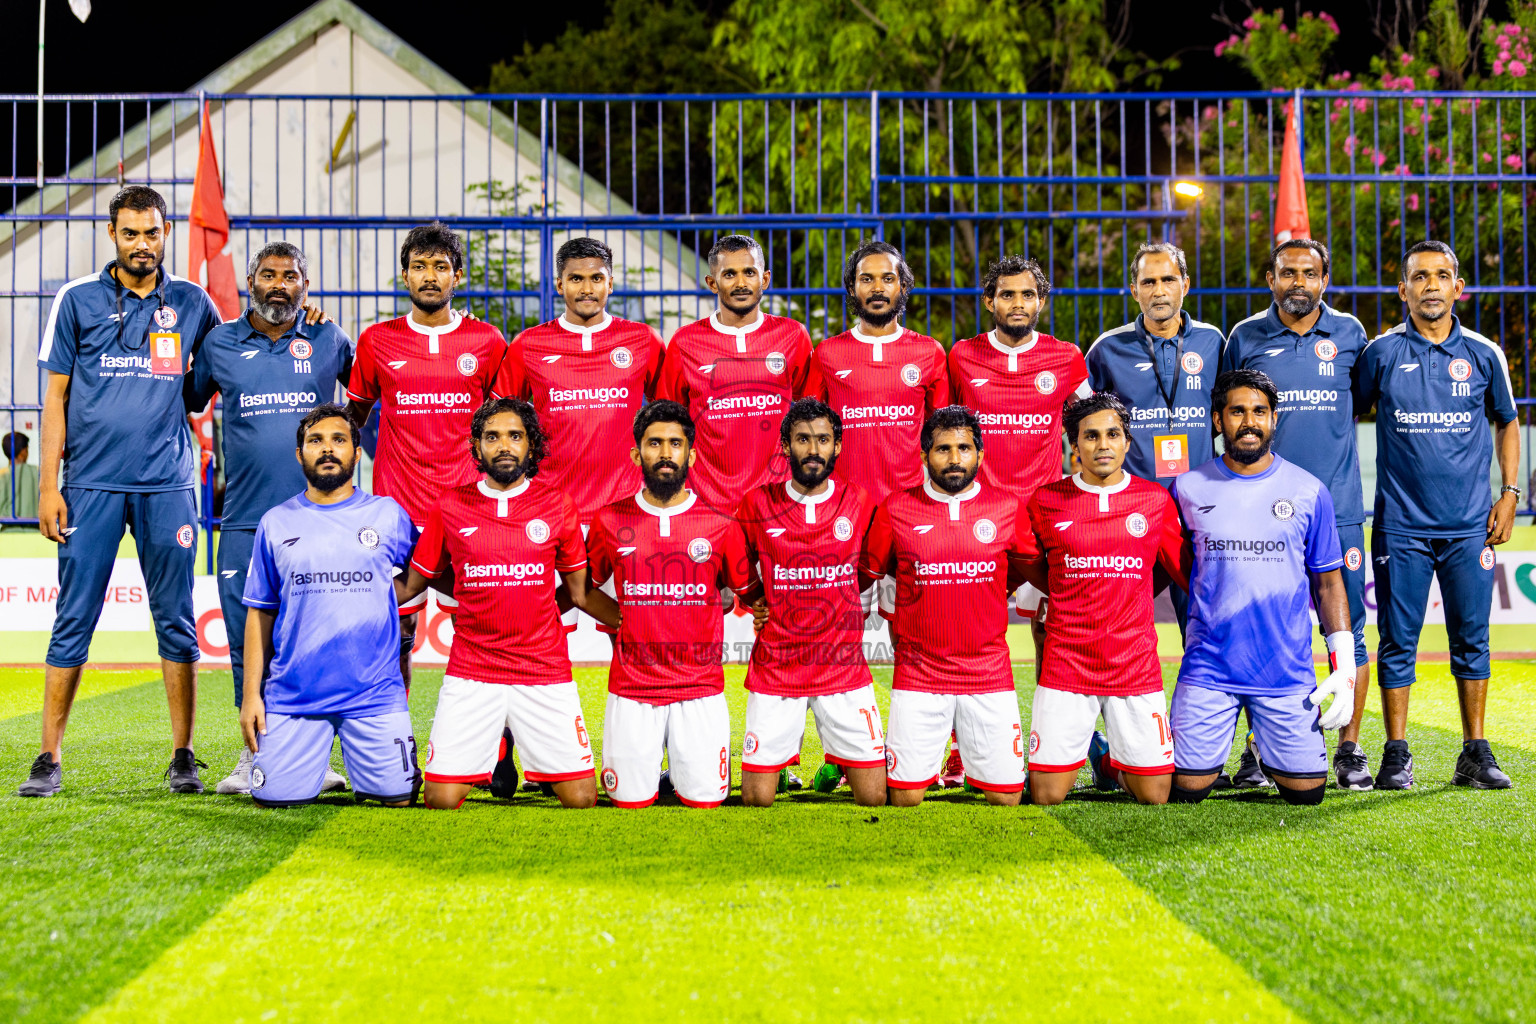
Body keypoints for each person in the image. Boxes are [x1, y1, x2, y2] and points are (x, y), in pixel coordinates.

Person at [19, 185, 224, 798]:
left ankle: (183, 754)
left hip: (166, 485)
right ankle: (48, 755)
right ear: (112, 233)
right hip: (89, 487)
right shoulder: (76, 300)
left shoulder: (193, 302)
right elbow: (52, 399)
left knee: (177, 619)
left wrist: (303, 319)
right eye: (131, 232)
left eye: (153, 233)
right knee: (72, 619)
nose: (142, 243)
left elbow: (221, 367)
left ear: (166, 234)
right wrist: (49, 486)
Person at [490, 235, 664, 792]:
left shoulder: (641, 343)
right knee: (530, 634)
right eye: (576, 279)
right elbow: (503, 424)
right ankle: (510, 756)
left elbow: (665, 421)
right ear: (559, 284)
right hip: (549, 516)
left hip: (624, 517)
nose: (586, 289)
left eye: (597, 278)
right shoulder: (528, 347)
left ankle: (644, 760)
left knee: (637, 634)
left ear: (610, 283)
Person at [184, 241, 355, 796]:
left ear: (305, 286)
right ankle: (252, 753)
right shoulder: (219, 343)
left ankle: (313, 755)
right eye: (268, 275)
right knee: (245, 644)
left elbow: (371, 397)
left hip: (321, 521)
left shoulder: (329, 338)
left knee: (314, 641)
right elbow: (184, 398)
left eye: (291, 276)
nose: (279, 285)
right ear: (250, 282)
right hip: (244, 524)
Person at [398, 398, 621, 810]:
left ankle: (512, 748)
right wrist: (349, 594)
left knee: (581, 799)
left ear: (531, 446)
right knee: (441, 799)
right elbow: (413, 584)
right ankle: (495, 749)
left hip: (543, 670)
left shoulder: (558, 504)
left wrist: (637, 621)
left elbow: (578, 593)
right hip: (472, 671)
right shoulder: (449, 506)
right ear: (476, 447)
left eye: (515, 436)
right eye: (492, 437)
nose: (504, 445)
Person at [1354, 240, 1519, 790]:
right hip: (1400, 525)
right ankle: (1396, 754)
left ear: (1457, 288)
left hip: (1471, 526)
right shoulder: (1379, 355)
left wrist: (1510, 492)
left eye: (1441, 275)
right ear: (1403, 290)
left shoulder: (1483, 354)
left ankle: (1474, 750)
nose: (1430, 285)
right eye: (1419, 276)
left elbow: (1507, 422)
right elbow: (1342, 414)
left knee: (1472, 639)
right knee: (1398, 640)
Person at [1223, 239, 1375, 790]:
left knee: (1350, 630)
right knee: (1261, 629)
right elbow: (1234, 412)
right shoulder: (1244, 337)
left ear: (1324, 279)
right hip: (1262, 511)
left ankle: (1351, 750)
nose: (1298, 283)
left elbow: (1358, 403)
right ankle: (1256, 751)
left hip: (1337, 511)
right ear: (1271, 279)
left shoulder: (1351, 334)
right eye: (1288, 273)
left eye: (1308, 274)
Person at [1166, 370, 1356, 806]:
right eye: (1237, 412)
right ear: (1218, 420)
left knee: (1307, 795)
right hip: (1209, 670)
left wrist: (1344, 664)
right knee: (1183, 790)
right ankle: (1113, 758)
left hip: (1284, 673)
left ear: (1274, 419)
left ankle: (1264, 744)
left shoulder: (1309, 491)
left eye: (1259, 412)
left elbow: (1327, 584)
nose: (1248, 422)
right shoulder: (1187, 488)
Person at [1085, 242, 1236, 776]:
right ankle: (1103, 746)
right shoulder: (1107, 350)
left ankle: (1200, 744)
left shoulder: (1214, 343)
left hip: (1199, 516)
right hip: (1132, 520)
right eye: (1147, 282)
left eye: (1167, 280)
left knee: (1206, 631)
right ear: (1134, 291)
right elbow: (1084, 429)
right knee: (1108, 630)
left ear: (1184, 285)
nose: (1158, 291)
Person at [345, 222, 507, 689]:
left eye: (440, 267)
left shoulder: (488, 342)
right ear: (405, 276)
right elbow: (353, 417)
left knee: (478, 632)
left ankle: (491, 754)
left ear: (458, 276)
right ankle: (396, 743)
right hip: (397, 515)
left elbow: (503, 430)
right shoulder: (377, 340)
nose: (430, 276)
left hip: (468, 512)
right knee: (397, 632)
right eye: (419, 267)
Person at [240, 404, 421, 807]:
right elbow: (260, 611)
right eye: (315, 441)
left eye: (339, 440)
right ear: (299, 453)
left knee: (396, 797)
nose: (327, 449)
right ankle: (304, 762)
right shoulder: (275, 522)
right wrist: (252, 695)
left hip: (373, 694)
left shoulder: (387, 515)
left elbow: (425, 573)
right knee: (275, 799)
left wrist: (382, 595)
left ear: (357, 453)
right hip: (294, 696)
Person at [1019, 393, 1188, 806]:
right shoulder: (1045, 501)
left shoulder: (1153, 501)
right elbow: (1025, 562)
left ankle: (1111, 761)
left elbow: (1176, 567)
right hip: (1068, 663)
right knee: (1046, 795)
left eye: (1113, 434)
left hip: (1132, 662)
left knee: (1155, 797)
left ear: (1127, 442)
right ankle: (1090, 751)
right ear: (1074, 446)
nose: (1103, 445)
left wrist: (1136, 593)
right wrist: (1061, 591)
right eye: (1091, 437)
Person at [860, 406, 1032, 806]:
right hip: (920, 674)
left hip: (988, 671)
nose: (955, 459)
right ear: (923, 456)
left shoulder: (1007, 508)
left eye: (964, 448)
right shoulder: (895, 509)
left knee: (1006, 799)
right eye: (942, 449)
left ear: (981, 454)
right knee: (905, 799)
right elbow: (873, 571)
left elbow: (1030, 570)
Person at [586, 401, 754, 808]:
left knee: (704, 801)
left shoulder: (720, 524)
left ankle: (676, 769)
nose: (665, 454)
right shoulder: (609, 519)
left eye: (675, 444)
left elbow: (748, 590)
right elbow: (583, 588)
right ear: (636, 453)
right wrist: (619, 616)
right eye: (654, 443)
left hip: (700, 690)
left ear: (691, 454)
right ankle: (652, 771)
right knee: (628, 802)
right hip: (631, 690)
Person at [734, 399, 885, 807]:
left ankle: (836, 761)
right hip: (777, 669)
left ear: (838, 446)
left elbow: (869, 569)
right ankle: (778, 764)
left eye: (823, 440)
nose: (814, 449)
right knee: (757, 800)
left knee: (874, 797)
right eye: (803, 439)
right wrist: (755, 600)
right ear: (785, 446)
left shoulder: (860, 500)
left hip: (843, 668)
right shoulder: (756, 503)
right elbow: (737, 561)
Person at [949, 255, 1090, 666]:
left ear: (1041, 301)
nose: (1017, 303)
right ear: (989, 301)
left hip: (1041, 517)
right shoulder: (961, 356)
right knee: (970, 626)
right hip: (979, 515)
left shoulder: (1065, 357)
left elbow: (1090, 427)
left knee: (1051, 629)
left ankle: (1058, 730)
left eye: (1027, 294)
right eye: (1006, 294)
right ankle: (966, 730)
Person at [658, 234, 819, 512]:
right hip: (706, 503)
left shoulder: (793, 336)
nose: (741, 283)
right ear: (712, 283)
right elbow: (667, 425)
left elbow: (814, 416)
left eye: (749, 272)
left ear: (765, 279)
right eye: (729, 274)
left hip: (779, 499)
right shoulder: (685, 343)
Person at [812, 240, 950, 506]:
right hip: (843, 505)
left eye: (888, 278)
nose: (877, 288)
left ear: (903, 286)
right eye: (867, 279)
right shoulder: (827, 353)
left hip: (910, 504)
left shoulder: (929, 352)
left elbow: (941, 432)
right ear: (852, 288)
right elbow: (810, 430)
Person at [1, 431, 39, 520]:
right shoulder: (37, 472)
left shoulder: (2, 475)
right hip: (34, 530)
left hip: (8, 531)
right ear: (23, 451)